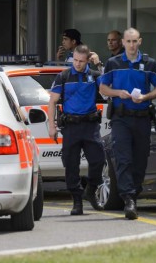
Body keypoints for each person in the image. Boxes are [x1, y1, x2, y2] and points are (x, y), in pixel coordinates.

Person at [99, 28, 156, 220]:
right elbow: (102, 87)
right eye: (128, 41)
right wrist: (118, 93)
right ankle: (128, 198)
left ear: (140, 42)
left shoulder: (149, 63)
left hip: (142, 117)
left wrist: (146, 96)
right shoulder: (113, 63)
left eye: (135, 41)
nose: (132, 45)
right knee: (123, 158)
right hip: (121, 119)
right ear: (123, 43)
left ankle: (134, 193)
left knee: (140, 159)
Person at [47, 44, 104, 215]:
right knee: (71, 165)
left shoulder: (94, 76)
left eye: (81, 61)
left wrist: (99, 65)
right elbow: (52, 102)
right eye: (75, 60)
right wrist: (52, 126)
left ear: (88, 60)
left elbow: (108, 88)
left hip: (90, 126)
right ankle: (77, 200)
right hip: (71, 127)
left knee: (98, 160)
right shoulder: (64, 76)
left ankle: (91, 189)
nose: (77, 64)